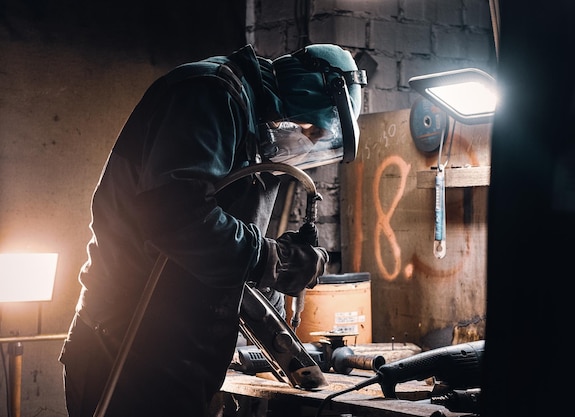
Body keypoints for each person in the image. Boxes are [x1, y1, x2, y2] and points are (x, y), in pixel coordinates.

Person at [59, 43, 367, 417]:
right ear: (292, 103)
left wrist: (274, 290)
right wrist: (272, 259)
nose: (304, 144)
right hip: (125, 347)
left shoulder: (255, 130)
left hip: (176, 357)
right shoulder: (210, 94)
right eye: (307, 129)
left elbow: (222, 260)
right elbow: (175, 215)